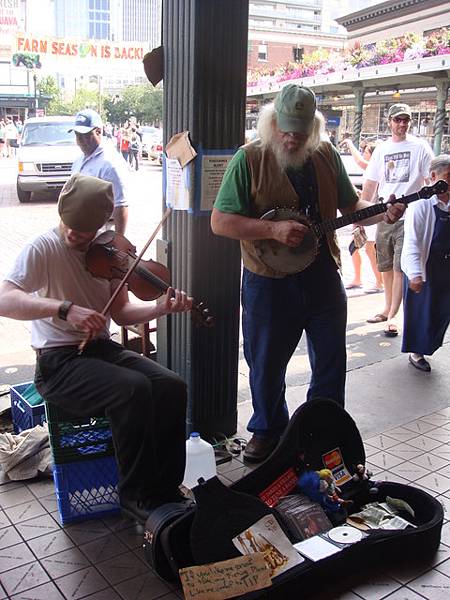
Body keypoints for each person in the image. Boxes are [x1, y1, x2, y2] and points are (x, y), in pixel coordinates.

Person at [211, 84, 405, 463]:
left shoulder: (326, 155)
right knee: (266, 360)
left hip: (322, 272)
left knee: (331, 357)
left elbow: (353, 204)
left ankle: (324, 426)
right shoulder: (248, 159)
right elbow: (220, 222)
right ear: (271, 123)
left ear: (312, 129)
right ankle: (268, 430)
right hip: (268, 279)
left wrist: (384, 211)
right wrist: (272, 230)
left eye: (299, 133)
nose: (291, 138)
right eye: (285, 130)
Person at [0, 173, 193, 525]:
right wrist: (62, 308)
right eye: (70, 225)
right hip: (59, 363)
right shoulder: (42, 248)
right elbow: (5, 299)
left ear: (102, 224)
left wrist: (159, 308)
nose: (75, 235)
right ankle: (135, 495)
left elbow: (120, 313)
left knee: (170, 385)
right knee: (132, 390)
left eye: (85, 230)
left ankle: (165, 489)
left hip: (99, 350)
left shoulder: (109, 255)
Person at [361, 103, 434, 337]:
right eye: (397, 120)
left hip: (411, 213)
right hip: (384, 212)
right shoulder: (381, 150)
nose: (402, 124)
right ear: (389, 122)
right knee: (385, 264)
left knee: (400, 265)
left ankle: (393, 316)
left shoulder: (421, 147)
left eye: (406, 120)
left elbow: (429, 180)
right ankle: (386, 308)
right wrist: (359, 219)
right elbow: (370, 184)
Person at [401, 154, 450, 372]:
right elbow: (412, 241)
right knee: (422, 313)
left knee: (442, 311)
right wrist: (415, 274)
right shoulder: (421, 204)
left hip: (446, 265)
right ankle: (416, 352)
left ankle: (430, 344)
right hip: (426, 265)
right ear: (433, 177)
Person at [71, 109, 129, 235]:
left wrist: (119, 240)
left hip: (101, 232)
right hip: (79, 229)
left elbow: (121, 205)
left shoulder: (110, 164)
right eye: (77, 135)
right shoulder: (78, 161)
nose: (81, 140)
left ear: (98, 131)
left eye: (85, 135)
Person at [340, 139, 383, 293]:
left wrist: (349, 143)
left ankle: (379, 282)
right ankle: (357, 278)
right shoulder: (369, 170)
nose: (364, 154)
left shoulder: (375, 168)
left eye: (366, 152)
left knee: (370, 249)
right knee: (355, 247)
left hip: (370, 214)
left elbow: (359, 161)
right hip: (362, 212)